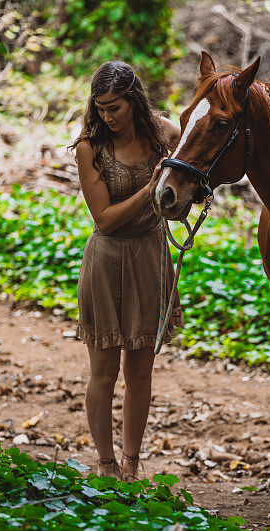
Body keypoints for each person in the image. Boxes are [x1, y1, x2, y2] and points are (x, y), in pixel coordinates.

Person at [69, 60, 183, 481]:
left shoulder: (161, 132)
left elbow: (192, 146)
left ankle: (132, 465)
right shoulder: (90, 148)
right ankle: (105, 464)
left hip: (151, 257)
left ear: (133, 101)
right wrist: (151, 188)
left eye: (114, 107)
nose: (106, 116)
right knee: (104, 372)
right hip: (107, 260)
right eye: (99, 107)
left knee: (140, 371)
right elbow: (104, 219)